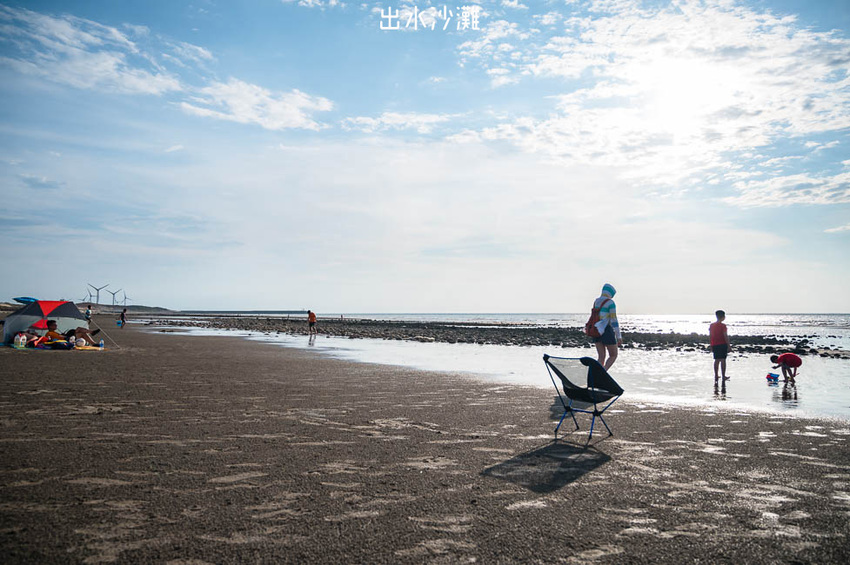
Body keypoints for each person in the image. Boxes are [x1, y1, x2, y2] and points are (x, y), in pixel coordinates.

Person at [591, 283, 622, 370]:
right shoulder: (610, 303)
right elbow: (614, 320)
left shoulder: (596, 301)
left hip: (596, 330)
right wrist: (618, 336)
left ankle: (597, 375)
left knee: (601, 357)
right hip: (606, 330)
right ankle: (603, 373)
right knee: (613, 355)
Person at [709, 310, 731, 381]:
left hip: (715, 344)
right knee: (723, 360)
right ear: (723, 317)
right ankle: (723, 375)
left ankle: (716, 375)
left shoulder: (712, 325)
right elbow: (725, 335)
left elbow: (711, 335)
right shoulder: (723, 326)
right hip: (722, 344)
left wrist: (711, 344)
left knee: (716, 360)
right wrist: (728, 345)